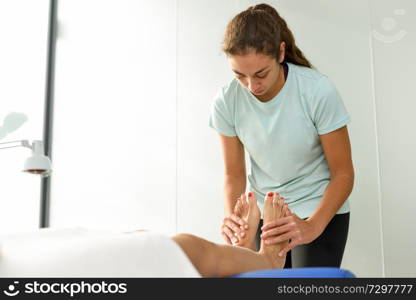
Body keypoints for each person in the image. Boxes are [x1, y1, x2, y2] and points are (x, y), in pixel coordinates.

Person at [209, 3, 354, 268]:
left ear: (280, 52)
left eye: (260, 74)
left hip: (317, 208)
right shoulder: (226, 100)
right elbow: (234, 174)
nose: (251, 86)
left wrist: (312, 226)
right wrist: (234, 219)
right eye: (239, 75)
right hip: (265, 213)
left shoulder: (316, 90)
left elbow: (343, 173)